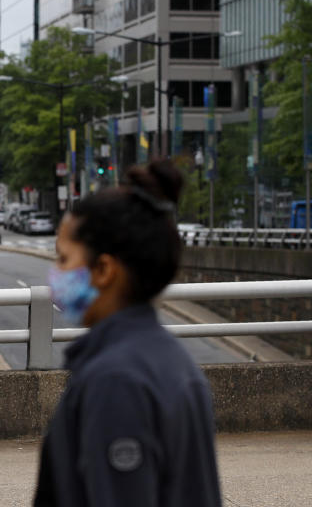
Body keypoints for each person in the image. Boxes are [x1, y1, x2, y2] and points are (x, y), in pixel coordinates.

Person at [34, 159, 221, 507]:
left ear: (104, 269)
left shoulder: (116, 379)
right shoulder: (170, 359)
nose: (55, 272)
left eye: (63, 258)